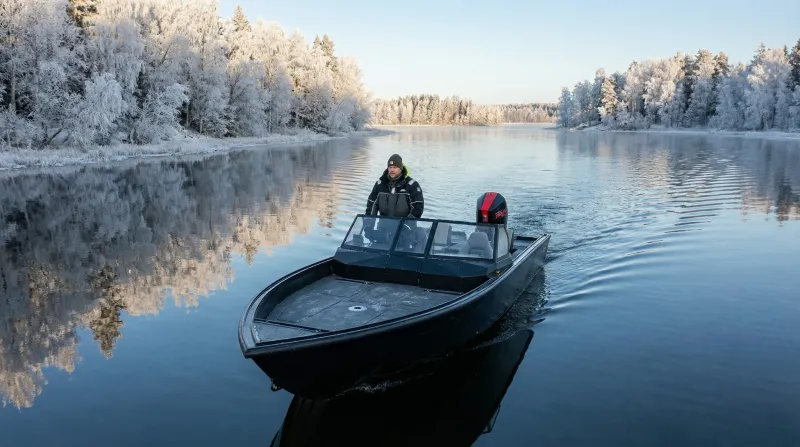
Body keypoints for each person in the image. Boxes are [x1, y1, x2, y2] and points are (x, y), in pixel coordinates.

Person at [365, 154, 425, 218]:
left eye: (395, 167)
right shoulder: (380, 184)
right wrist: (369, 223)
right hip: (383, 225)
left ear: (401, 169)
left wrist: (406, 225)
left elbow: (417, 208)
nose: (392, 170)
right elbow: (371, 204)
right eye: (390, 167)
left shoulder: (412, 185)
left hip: (405, 225)